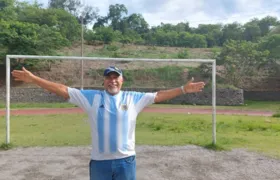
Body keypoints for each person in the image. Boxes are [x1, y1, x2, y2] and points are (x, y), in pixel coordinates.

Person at [11, 66, 205, 180]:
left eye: (116, 77)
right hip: (100, 163)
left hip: (126, 162)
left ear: (122, 80)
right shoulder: (91, 98)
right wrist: (34, 78)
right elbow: (62, 89)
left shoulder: (133, 98)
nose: (112, 81)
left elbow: (159, 95)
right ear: (104, 81)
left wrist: (183, 89)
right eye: (108, 78)